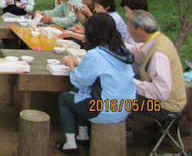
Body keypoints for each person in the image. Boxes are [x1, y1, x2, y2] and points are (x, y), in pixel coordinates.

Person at [57, 13, 136, 155]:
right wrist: (80, 64)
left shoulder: (95, 54)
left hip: (105, 110)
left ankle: (70, 144)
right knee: (82, 93)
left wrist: (71, 65)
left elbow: (79, 79)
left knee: (65, 98)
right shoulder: (120, 49)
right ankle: (83, 135)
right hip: (126, 107)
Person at [127, 10, 186, 120]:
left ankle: (126, 131)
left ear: (140, 29)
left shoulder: (159, 55)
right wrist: (115, 43)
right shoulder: (157, 38)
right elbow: (138, 52)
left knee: (118, 97)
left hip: (165, 106)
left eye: (129, 26)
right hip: (165, 99)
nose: (127, 29)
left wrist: (128, 81)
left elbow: (161, 92)